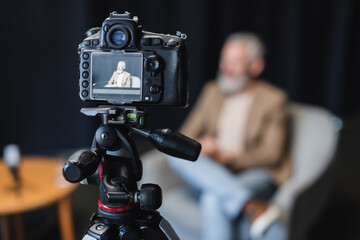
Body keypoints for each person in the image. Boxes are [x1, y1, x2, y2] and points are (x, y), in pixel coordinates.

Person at [167, 33, 291, 240]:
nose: (225, 67)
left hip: (255, 172)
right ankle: (250, 205)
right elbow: (186, 135)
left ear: (256, 66)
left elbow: (272, 153)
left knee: (213, 199)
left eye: (234, 62)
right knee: (173, 151)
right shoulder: (212, 91)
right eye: (224, 59)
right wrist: (202, 145)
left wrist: (227, 157)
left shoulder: (274, 99)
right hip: (213, 169)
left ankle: (241, 199)